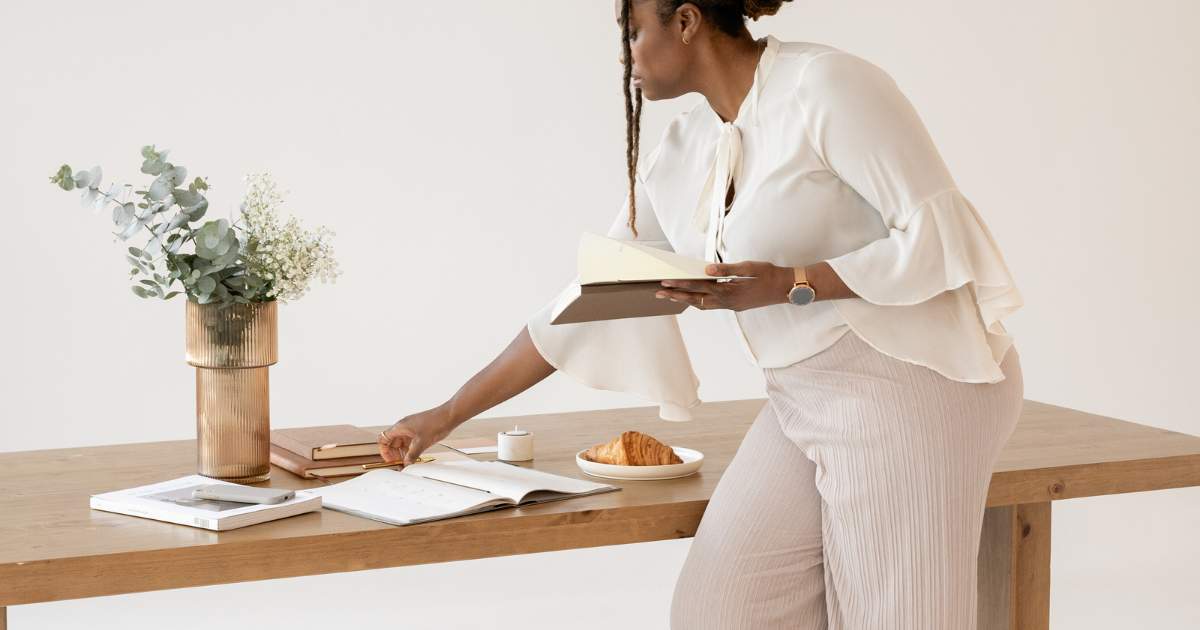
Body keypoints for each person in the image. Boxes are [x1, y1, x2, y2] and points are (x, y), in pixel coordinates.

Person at [379, 1, 1025, 627]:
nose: (625, 57)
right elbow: (585, 300)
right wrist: (445, 415)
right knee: (720, 610)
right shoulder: (687, 150)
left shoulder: (826, 85)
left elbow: (943, 238)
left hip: (911, 381)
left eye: (633, 31)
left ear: (686, 20)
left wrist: (791, 283)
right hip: (802, 397)